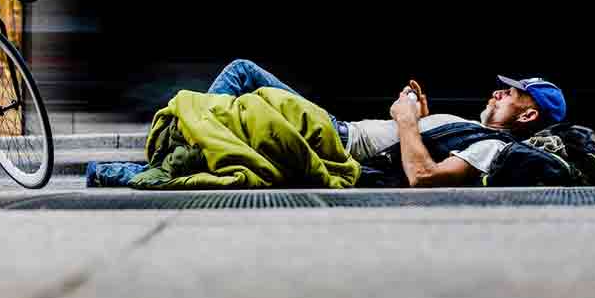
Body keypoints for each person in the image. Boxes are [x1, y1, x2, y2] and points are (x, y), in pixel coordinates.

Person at [203, 59, 568, 188]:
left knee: (242, 72)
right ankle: (197, 132)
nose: (497, 93)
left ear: (528, 115)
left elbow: (424, 177)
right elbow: (420, 149)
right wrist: (422, 119)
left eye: (510, 94)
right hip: (337, 131)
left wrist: (407, 120)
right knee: (243, 90)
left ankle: (192, 130)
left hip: (335, 139)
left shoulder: (493, 146)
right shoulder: (479, 134)